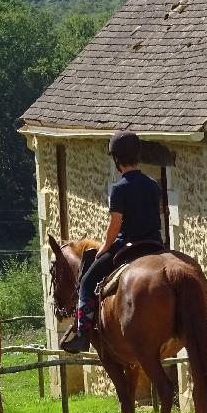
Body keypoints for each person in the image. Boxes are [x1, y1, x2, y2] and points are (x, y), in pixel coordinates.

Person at [60, 131, 162, 353]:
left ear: (116, 159)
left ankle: (83, 336)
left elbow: (115, 226)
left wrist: (104, 248)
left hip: (128, 246)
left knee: (86, 283)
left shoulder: (119, 188)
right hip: (155, 244)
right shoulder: (153, 185)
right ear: (138, 155)